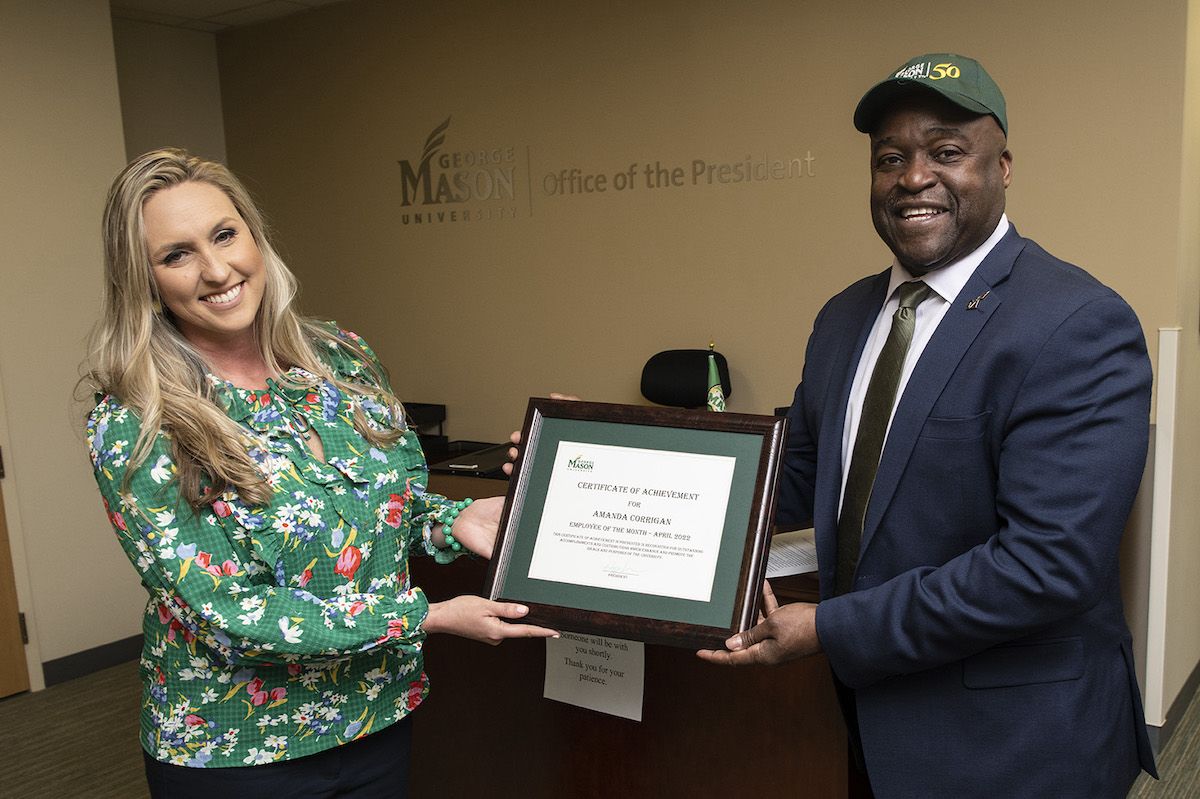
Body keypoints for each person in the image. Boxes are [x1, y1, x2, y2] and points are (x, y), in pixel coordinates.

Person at [697, 54, 1158, 798]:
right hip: (874, 727)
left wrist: (830, 629)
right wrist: (587, 466)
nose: (913, 177)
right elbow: (796, 480)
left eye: (947, 152)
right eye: (890, 159)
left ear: (1003, 168)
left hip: (1019, 743)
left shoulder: (1076, 322)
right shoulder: (843, 318)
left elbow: (1045, 566)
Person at [84, 148, 558, 798]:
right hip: (233, 747)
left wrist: (452, 520)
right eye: (177, 254)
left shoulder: (341, 357)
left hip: (376, 712)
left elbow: (387, 507)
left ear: (254, 235)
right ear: (143, 279)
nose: (216, 268)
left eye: (225, 234)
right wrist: (427, 616)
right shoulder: (135, 422)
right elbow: (225, 610)